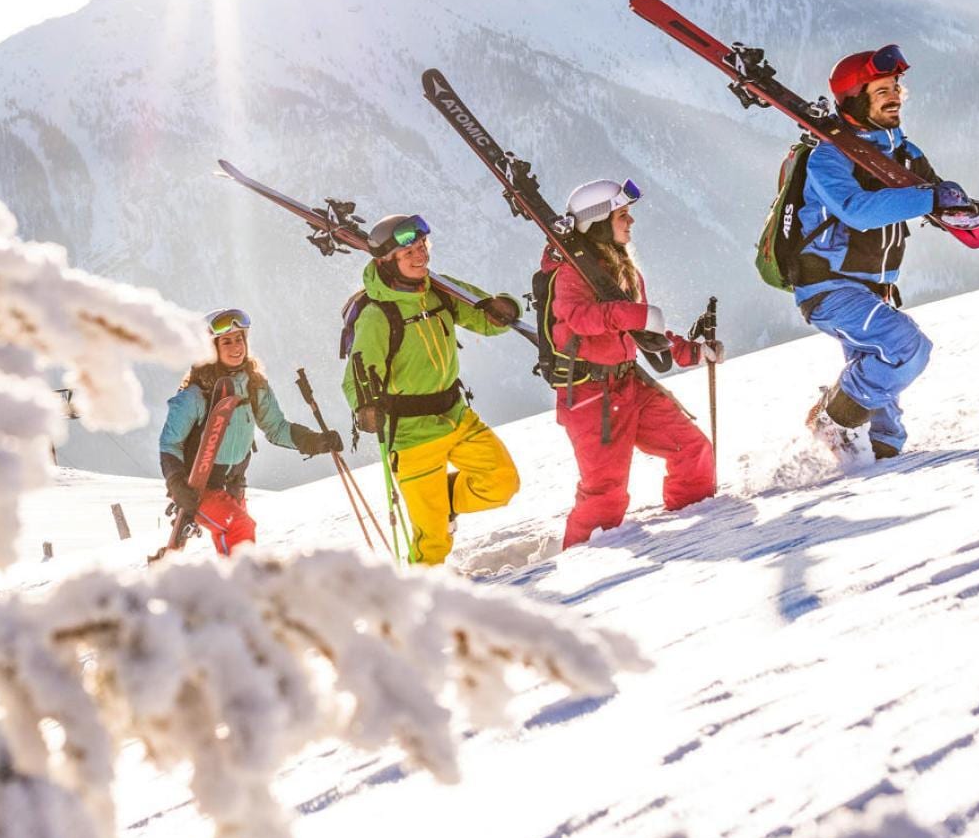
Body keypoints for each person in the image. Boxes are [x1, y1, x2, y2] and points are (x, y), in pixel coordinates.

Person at [798, 45, 979, 462]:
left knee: (886, 422)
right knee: (906, 347)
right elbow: (857, 211)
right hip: (828, 287)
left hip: (874, 291)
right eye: (881, 90)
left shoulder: (903, 154)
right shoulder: (828, 158)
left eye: (896, 87)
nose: (895, 95)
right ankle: (829, 420)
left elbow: (949, 207)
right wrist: (929, 197)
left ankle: (874, 460)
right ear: (856, 98)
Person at [541, 178, 722, 548]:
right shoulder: (570, 272)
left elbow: (642, 330)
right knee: (604, 496)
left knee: (693, 451)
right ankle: (579, 573)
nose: (631, 222)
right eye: (622, 215)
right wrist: (634, 315)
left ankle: (703, 533)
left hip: (629, 385)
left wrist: (693, 351)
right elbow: (580, 317)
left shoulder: (625, 269)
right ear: (598, 223)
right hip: (591, 397)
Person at [340, 212, 521, 565]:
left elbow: (486, 319)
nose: (421, 256)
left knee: (502, 483)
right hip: (411, 437)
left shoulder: (439, 288)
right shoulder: (378, 313)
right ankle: (422, 608)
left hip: (455, 415)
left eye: (423, 246)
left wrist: (505, 309)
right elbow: (357, 373)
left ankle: (446, 500)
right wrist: (365, 406)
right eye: (409, 253)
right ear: (387, 262)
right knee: (433, 543)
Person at [158, 307, 343, 555]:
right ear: (211, 348)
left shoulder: (254, 385)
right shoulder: (196, 395)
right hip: (198, 489)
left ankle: (237, 590)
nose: (236, 347)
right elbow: (170, 444)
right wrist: (176, 483)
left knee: (243, 544)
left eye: (239, 339)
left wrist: (315, 441)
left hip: (235, 484)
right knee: (240, 529)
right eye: (227, 342)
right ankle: (239, 590)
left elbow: (277, 429)